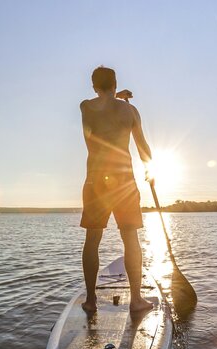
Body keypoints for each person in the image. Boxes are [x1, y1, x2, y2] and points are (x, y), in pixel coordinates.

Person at [79, 66, 154, 313]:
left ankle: (90, 300)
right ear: (115, 82)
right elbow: (142, 147)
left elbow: (101, 106)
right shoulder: (130, 110)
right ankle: (136, 300)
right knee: (130, 237)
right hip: (124, 182)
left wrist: (113, 96)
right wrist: (150, 171)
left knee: (92, 239)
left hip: (95, 181)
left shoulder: (85, 107)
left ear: (93, 87)